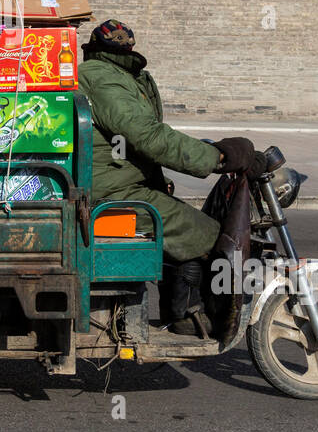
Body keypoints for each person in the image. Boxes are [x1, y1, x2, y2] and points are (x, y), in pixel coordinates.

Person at [77, 19, 267, 337]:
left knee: (183, 226)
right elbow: (148, 137)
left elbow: (142, 143)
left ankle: (178, 312)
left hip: (119, 185)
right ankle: (186, 315)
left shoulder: (116, 75)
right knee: (202, 234)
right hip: (111, 194)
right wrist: (216, 158)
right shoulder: (102, 78)